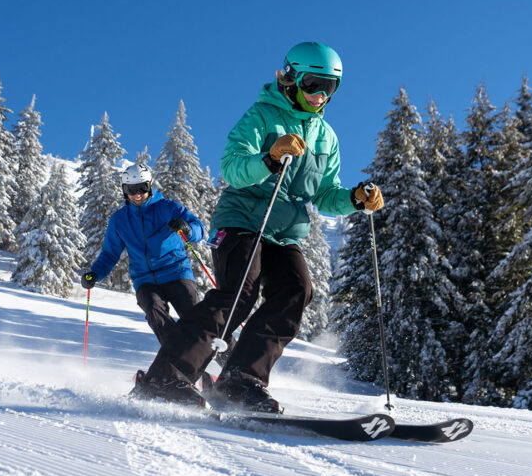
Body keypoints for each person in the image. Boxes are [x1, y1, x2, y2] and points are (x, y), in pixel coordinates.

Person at [133, 42, 384, 412]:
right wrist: (269, 157)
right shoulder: (262, 116)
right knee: (238, 295)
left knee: (297, 291)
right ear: (291, 77)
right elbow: (232, 168)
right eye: (313, 84)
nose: (319, 95)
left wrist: (355, 199)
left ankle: (240, 380)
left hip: (285, 232)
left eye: (329, 88)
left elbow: (325, 193)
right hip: (242, 221)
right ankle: (165, 376)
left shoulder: (327, 137)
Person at [81, 164, 205, 390]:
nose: (137, 194)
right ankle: (177, 373)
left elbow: (199, 228)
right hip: (145, 280)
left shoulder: (167, 208)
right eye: (131, 189)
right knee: (155, 312)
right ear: (124, 191)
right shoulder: (119, 220)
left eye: (141, 188)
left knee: (198, 321)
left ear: (149, 186)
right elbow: (110, 254)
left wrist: (186, 229)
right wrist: (94, 273)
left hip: (176, 273)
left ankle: (231, 367)